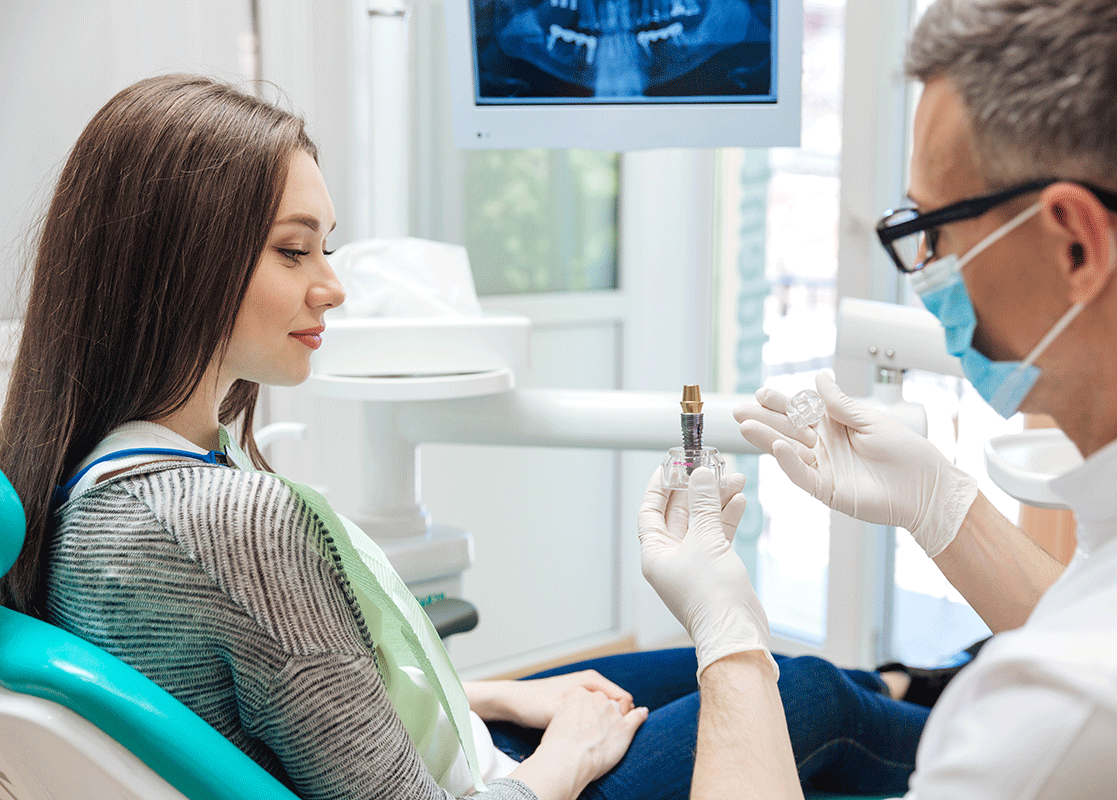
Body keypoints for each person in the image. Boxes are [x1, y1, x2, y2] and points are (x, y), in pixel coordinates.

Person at [0, 73, 943, 800]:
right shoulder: (224, 520)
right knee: (805, 695)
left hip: (450, 750)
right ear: (175, 259)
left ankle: (920, 684)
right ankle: (991, 726)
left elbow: (304, 705)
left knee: (761, 673)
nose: (332, 284)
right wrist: (561, 761)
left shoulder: (91, 475)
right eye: (294, 251)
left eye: (326, 245)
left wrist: (493, 696)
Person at [640, 1, 1117, 798]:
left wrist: (728, 641)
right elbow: (1099, 613)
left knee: (814, 694)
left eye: (932, 227)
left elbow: (1105, 672)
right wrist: (939, 503)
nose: (925, 266)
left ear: (1074, 241)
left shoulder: (1073, 716)